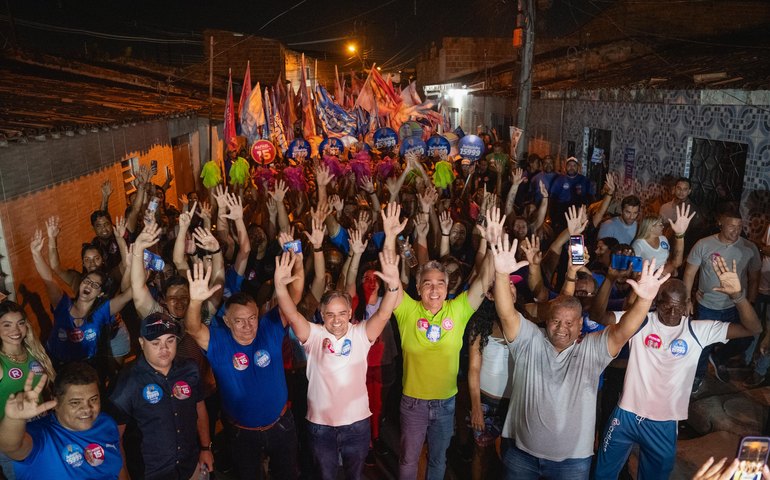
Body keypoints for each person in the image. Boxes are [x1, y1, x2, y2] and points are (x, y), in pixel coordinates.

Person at [491, 233, 670, 480]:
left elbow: (623, 331)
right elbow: (506, 313)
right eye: (556, 321)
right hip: (521, 455)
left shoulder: (591, 349)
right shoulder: (529, 340)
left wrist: (645, 299)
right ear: (547, 321)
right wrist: (500, 275)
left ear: (579, 325)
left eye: (569, 322)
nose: (561, 328)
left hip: (572, 463)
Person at [594, 256, 762, 479]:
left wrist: (738, 296)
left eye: (677, 308)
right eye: (666, 306)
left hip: (664, 423)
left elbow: (753, 328)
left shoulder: (698, 330)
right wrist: (609, 279)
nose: (672, 314)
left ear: (686, 306)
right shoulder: (641, 320)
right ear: (656, 302)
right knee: (602, 474)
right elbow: (598, 315)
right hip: (625, 415)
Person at [383, 202, 496, 480]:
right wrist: (389, 234)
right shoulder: (407, 309)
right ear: (419, 287)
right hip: (413, 403)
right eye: (428, 283)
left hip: (446, 403)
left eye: (440, 283)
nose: (434, 289)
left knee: (438, 459)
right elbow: (390, 272)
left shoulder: (457, 309)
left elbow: (483, 281)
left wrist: (493, 242)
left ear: (448, 288)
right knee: (409, 459)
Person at [273, 249, 400, 480]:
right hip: (321, 427)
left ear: (350, 313)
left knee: (355, 475)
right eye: (330, 314)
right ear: (321, 314)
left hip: (357, 426)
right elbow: (291, 313)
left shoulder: (360, 333)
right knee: (326, 476)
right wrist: (280, 287)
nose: (337, 319)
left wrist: (392, 287)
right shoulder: (314, 335)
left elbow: (383, 314)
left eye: (342, 313)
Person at [184, 263, 298, 480]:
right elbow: (193, 328)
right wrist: (196, 301)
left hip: (281, 426)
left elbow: (296, 296)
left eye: (252, 318)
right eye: (239, 320)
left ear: (258, 315)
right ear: (226, 321)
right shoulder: (218, 340)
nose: (248, 326)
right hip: (242, 433)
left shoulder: (269, 327)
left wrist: (295, 266)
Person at [108, 312, 214, 480]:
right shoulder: (127, 382)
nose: (164, 349)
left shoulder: (190, 369)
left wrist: (205, 448)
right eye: (156, 343)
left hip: (190, 466)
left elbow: (200, 408)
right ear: (142, 343)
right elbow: (114, 437)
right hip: (151, 474)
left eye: (170, 341)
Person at [0, 362, 124, 479]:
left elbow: (119, 466)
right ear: (56, 403)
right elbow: (11, 447)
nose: (87, 409)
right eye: (75, 402)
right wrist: (14, 419)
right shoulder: (41, 435)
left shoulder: (106, 423)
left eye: (93, 399)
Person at [30, 230, 133, 369]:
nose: (89, 285)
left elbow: (129, 293)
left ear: (100, 294)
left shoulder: (101, 311)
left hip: (87, 367)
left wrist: (137, 262)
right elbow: (48, 279)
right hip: (59, 365)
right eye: (87, 281)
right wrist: (36, 253)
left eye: (95, 285)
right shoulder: (63, 304)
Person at [685, 206, 761, 390]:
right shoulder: (703, 245)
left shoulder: (749, 248)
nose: (736, 231)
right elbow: (689, 273)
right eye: (731, 226)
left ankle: (719, 357)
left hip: (735, 306)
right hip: (708, 305)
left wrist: (748, 302)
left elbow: (754, 277)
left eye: (739, 227)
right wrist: (687, 299)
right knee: (702, 345)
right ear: (720, 224)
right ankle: (697, 376)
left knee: (747, 337)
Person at [0, 301, 57, 480]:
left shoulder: (34, 352)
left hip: (41, 429)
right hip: (13, 437)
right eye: (6, 325)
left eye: (20, 323)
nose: (15, 330)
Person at [631, 204, 695, 275]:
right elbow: (634, 271)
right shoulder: (638, 244)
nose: (663, 227)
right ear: (651, 228)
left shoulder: (663, 239)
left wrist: (680, 234)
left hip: (666, 276)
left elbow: (674, 261)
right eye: (660, 225)